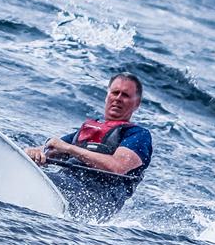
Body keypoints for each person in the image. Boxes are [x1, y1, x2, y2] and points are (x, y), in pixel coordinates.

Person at [25, 72, 152, 221]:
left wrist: (69, 149)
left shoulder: (138, 135)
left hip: (96, 200)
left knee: (43, 180)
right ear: (107, 96)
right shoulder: (88, 130)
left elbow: (117, 166)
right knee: (31, 173)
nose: (118, 98)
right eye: (115, 93)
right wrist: (32, 152)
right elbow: (50, 148)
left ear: (136, 103)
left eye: (125, 95)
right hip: (63, 184)